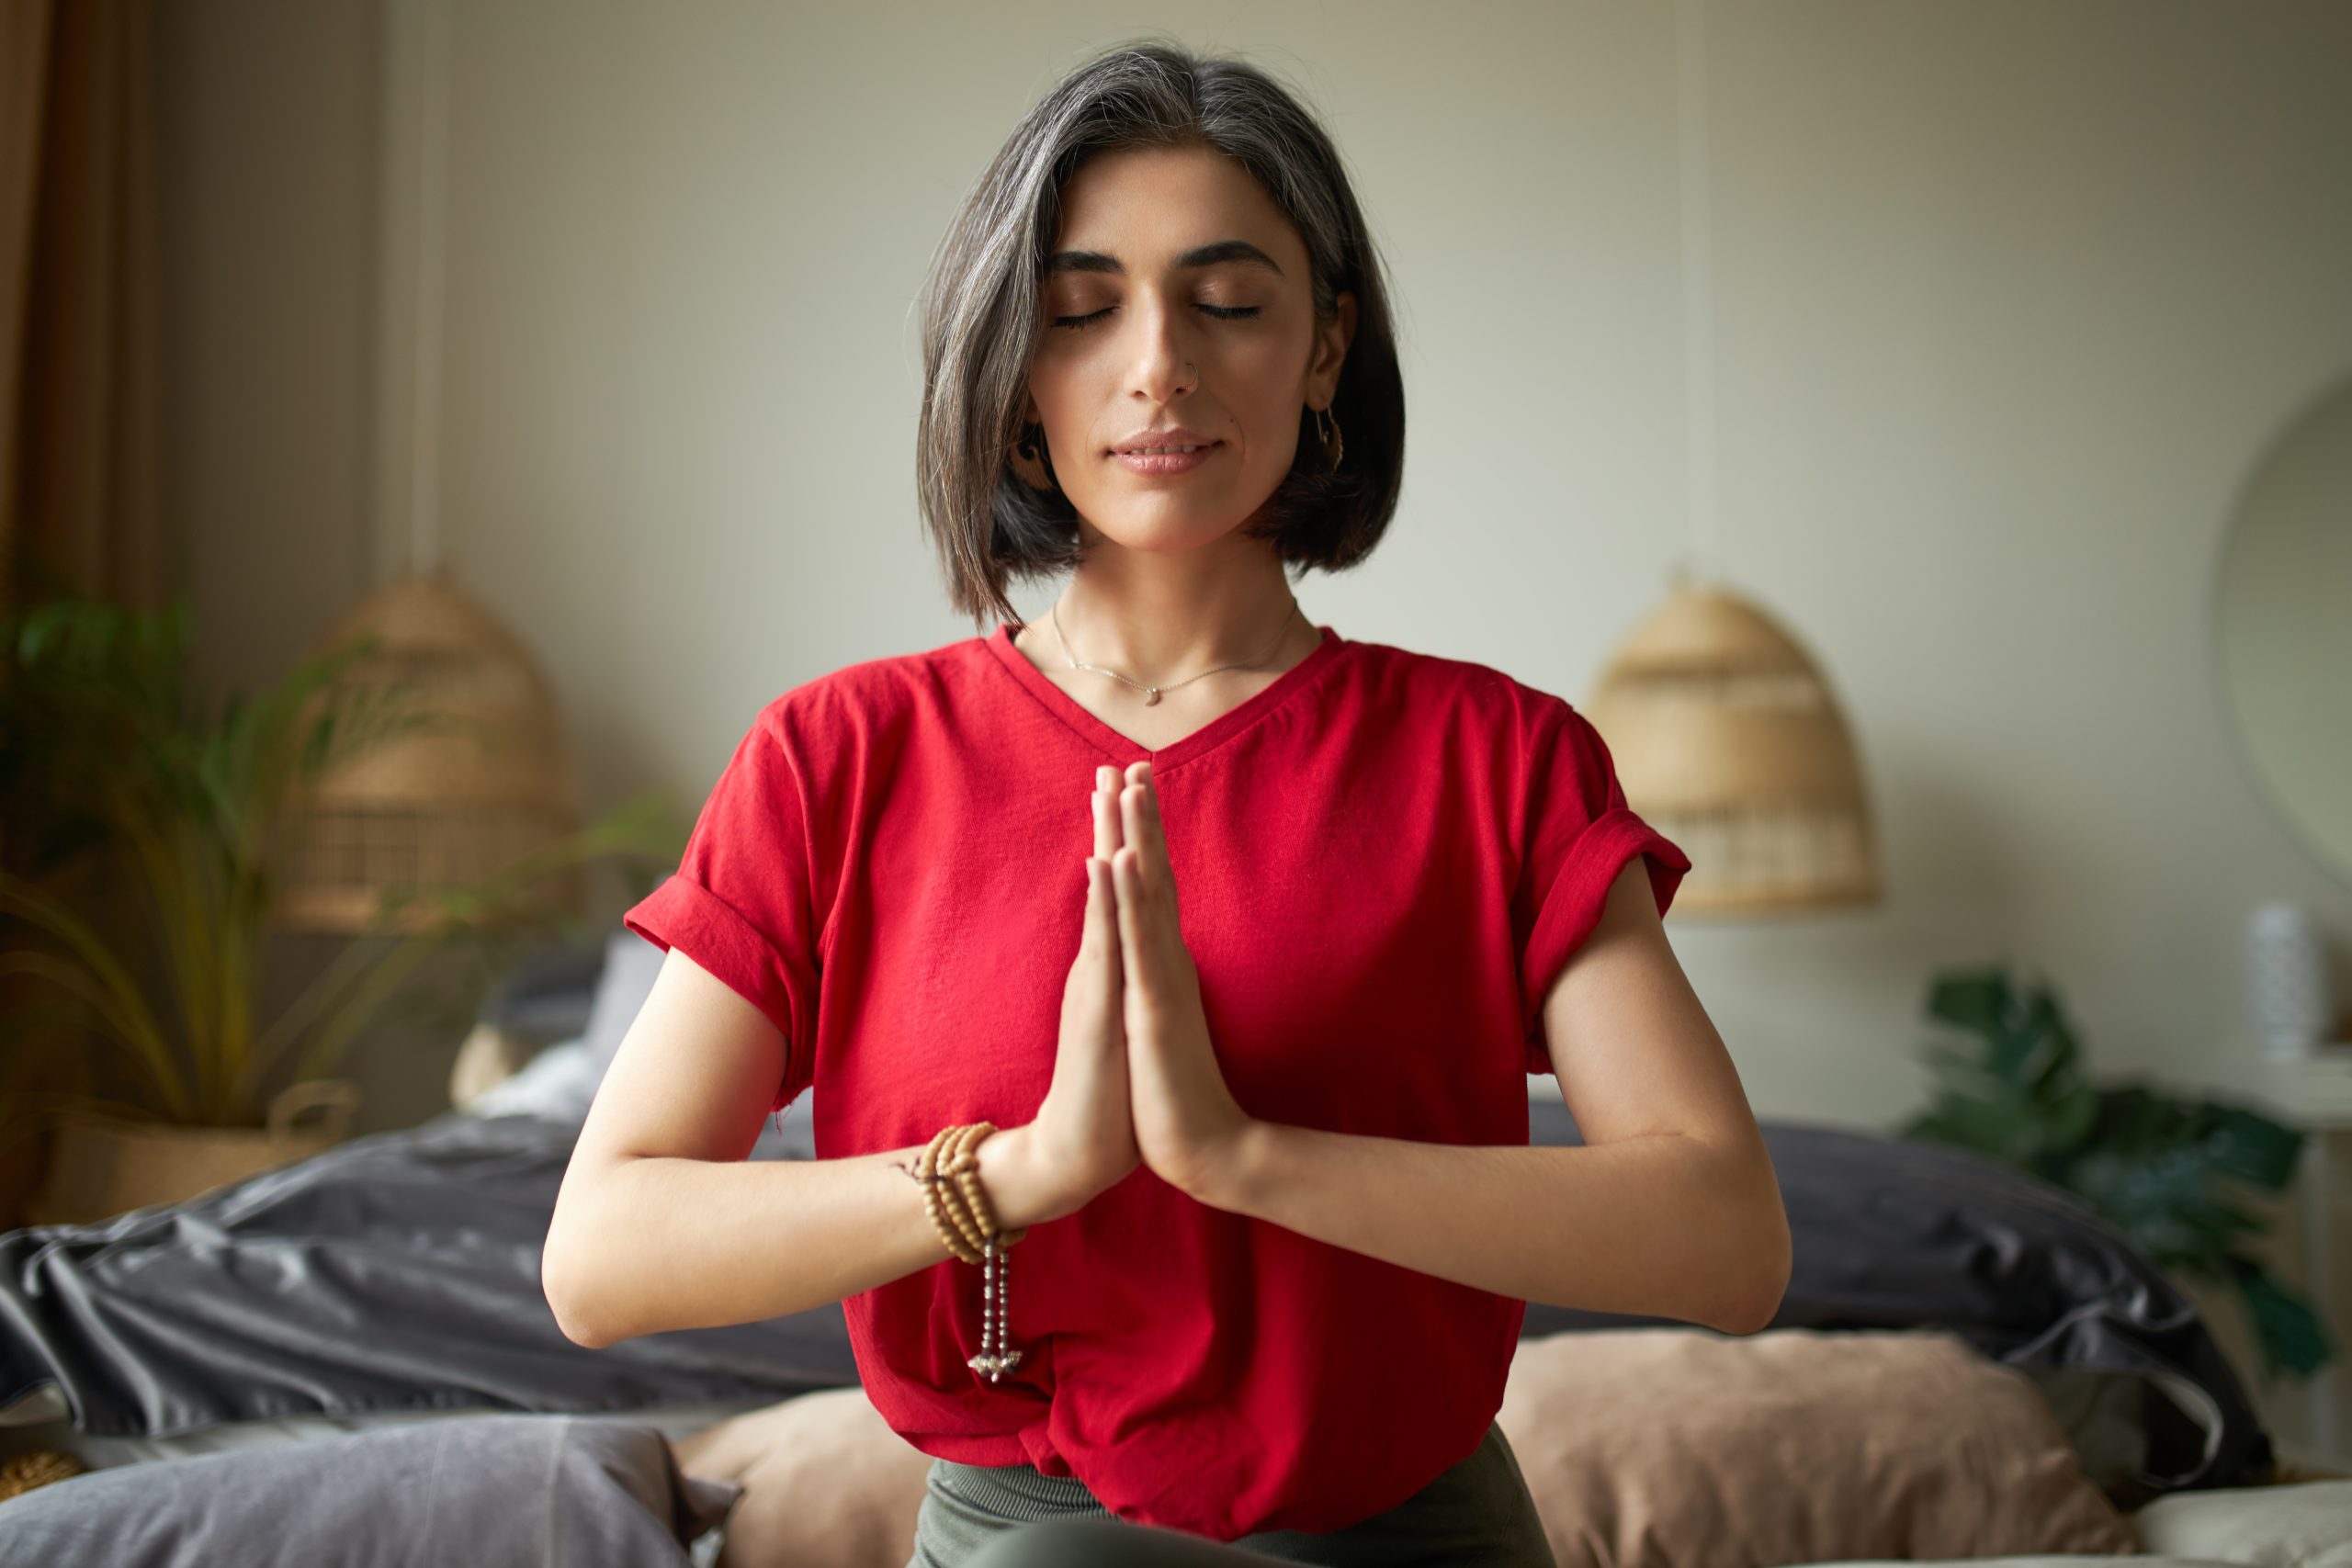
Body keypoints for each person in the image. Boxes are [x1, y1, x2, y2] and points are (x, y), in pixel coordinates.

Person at [541, 38, 1790, 1567]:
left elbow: (1728, 1243)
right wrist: (1029, 1170)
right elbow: (601, 1257)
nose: (1158, 367)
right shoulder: (840, 758)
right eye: (1083, 312)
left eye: (1228, 303)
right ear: (1018, 374)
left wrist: (1239, 1154)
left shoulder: (1498, 758)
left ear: (1327, 349)